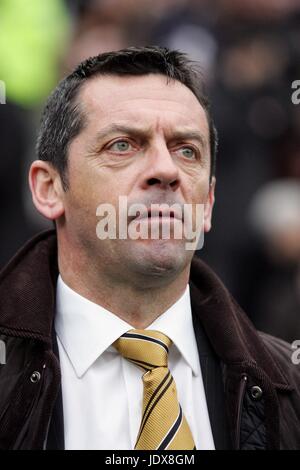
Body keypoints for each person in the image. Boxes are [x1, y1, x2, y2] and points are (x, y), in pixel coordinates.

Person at [0, 46, 299, 451]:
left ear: (207, 203)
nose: (166, 170)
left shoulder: (289, 387)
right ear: (49, 188)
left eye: (186, 150)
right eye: (123, 145)